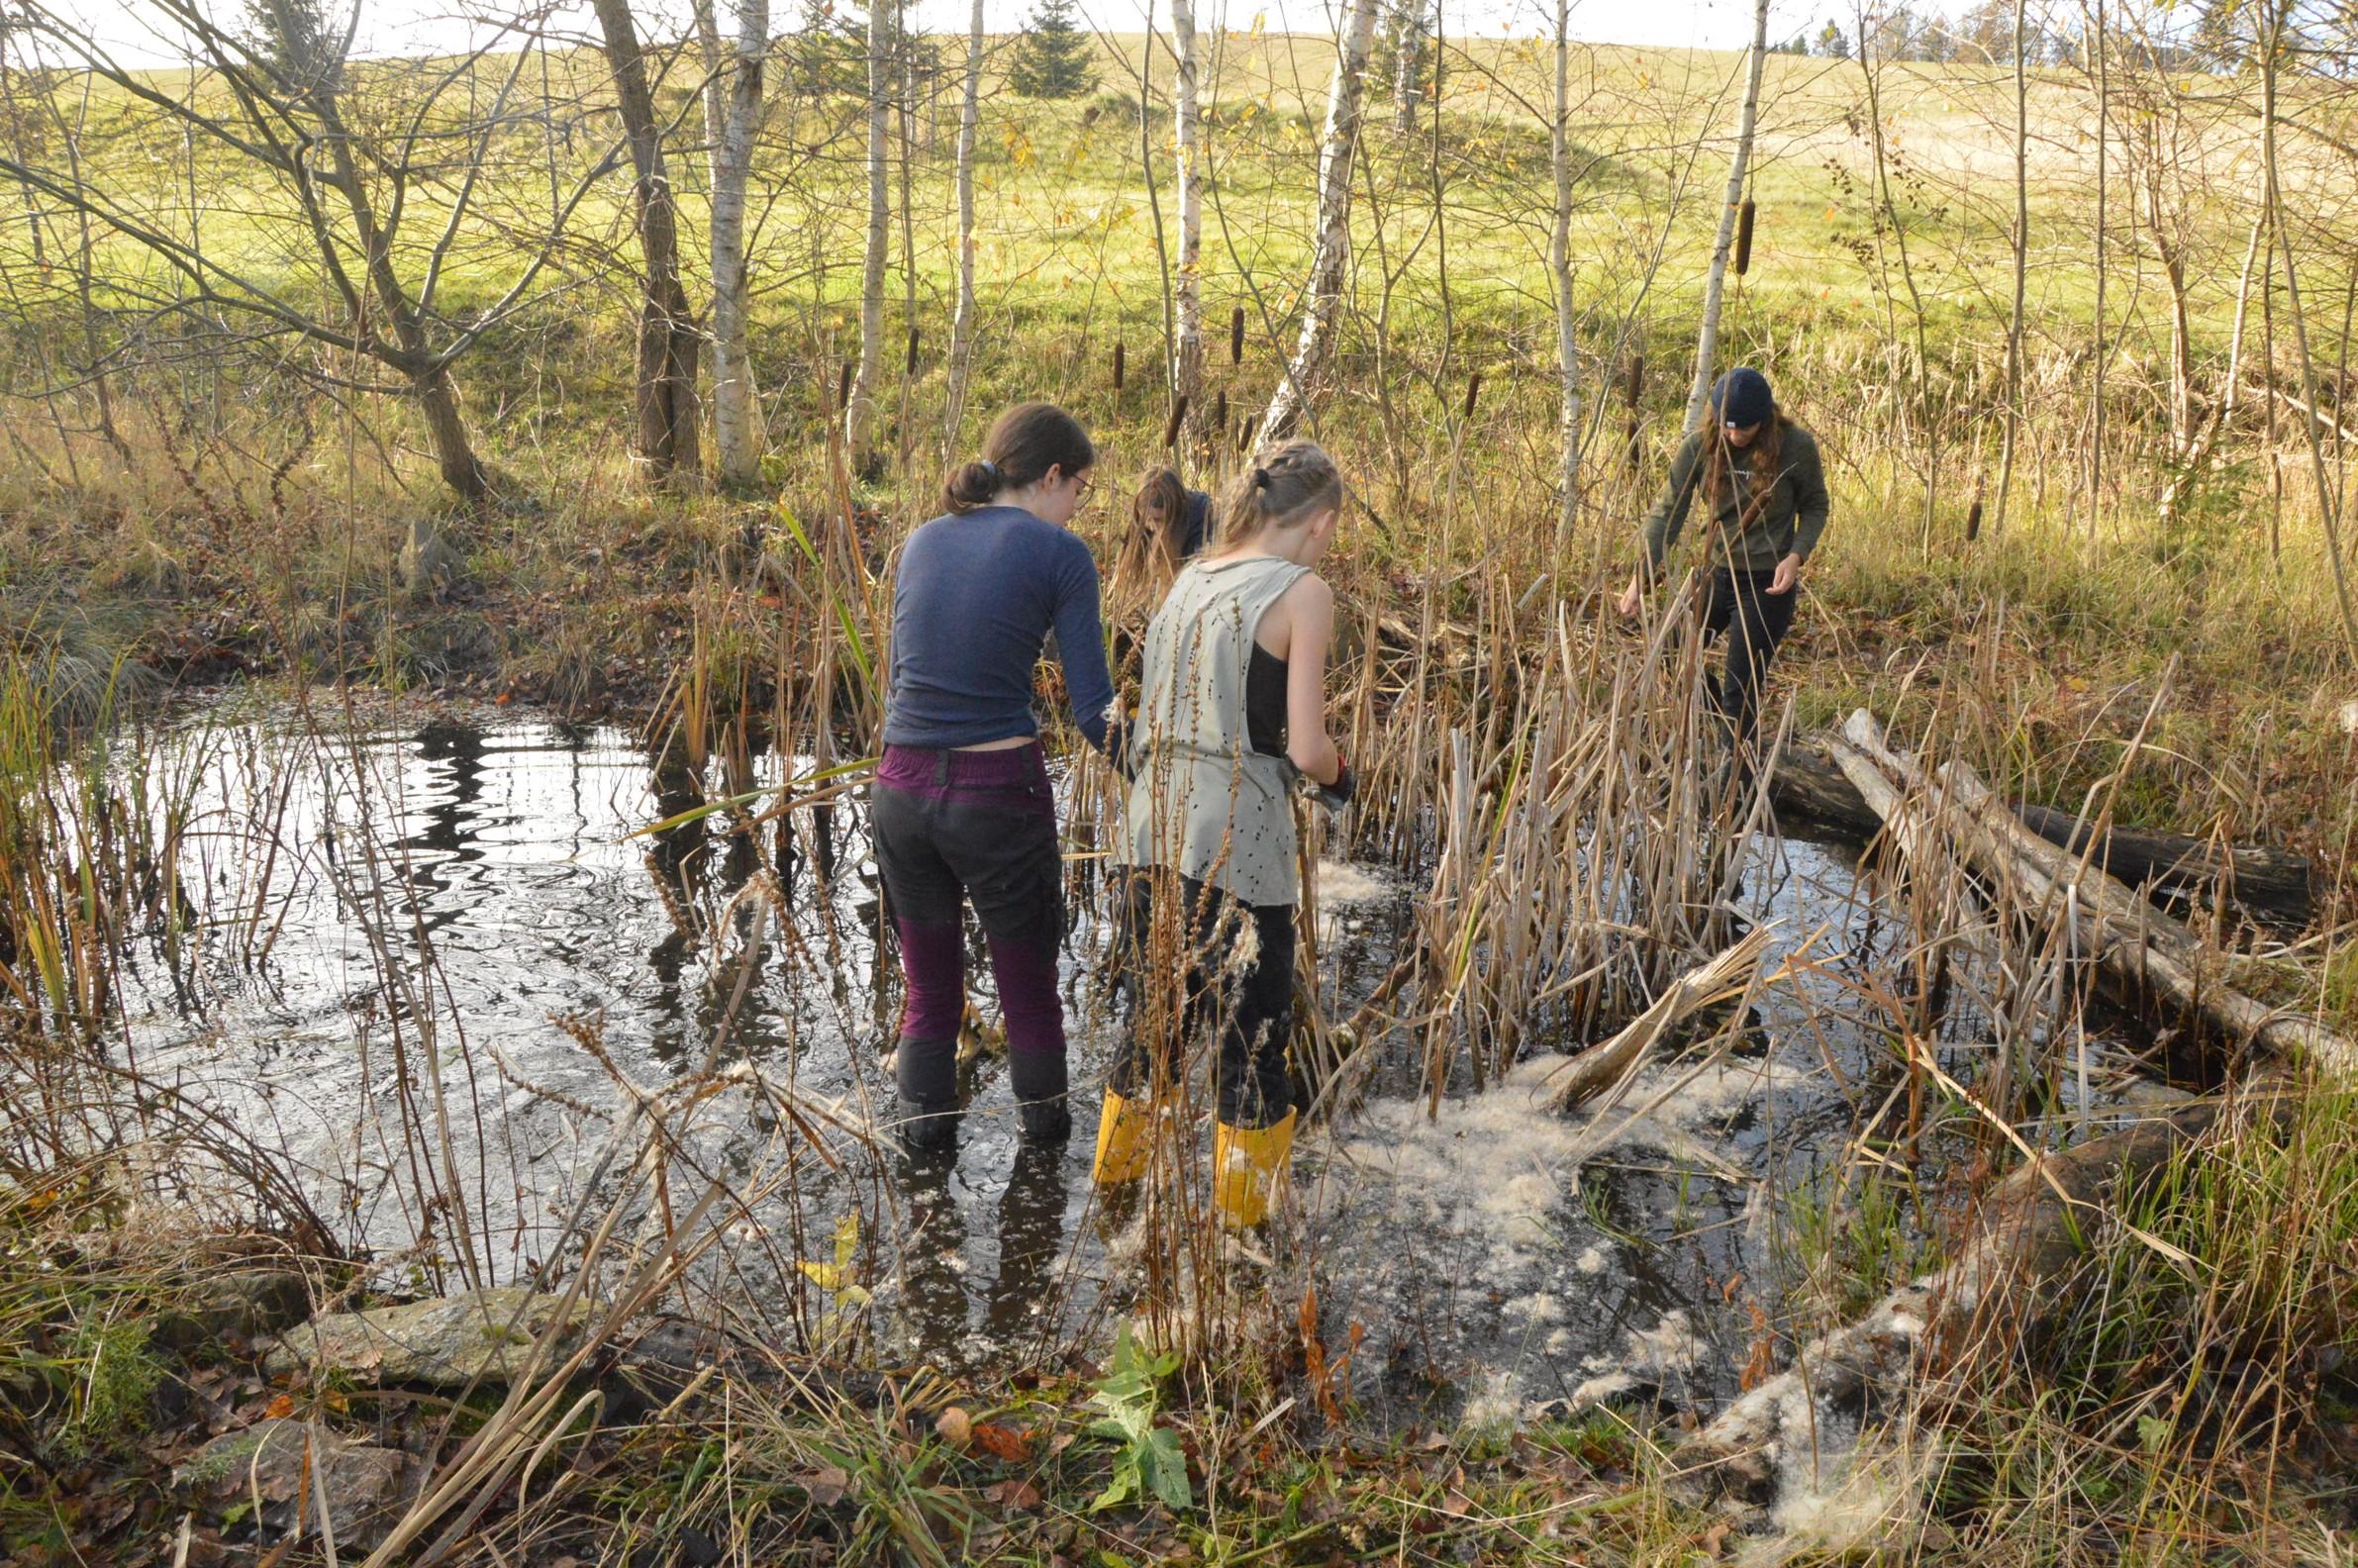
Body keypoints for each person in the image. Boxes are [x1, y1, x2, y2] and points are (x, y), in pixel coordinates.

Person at [1092, 440, 1353, 1228]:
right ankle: (1245, 1243)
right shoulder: (1303, 592)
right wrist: (1345, 776)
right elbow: (1305, 749)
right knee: (1252, 1050)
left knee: (1152, 1033)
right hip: (1240, 847)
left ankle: (1115, 1210)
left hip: (1150, 835)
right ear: (1319, 524)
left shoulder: (1188, 579)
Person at [872, 402, 1118, 1154]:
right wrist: (1166, 772)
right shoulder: (1060, 553)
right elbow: (1095, 714)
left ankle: (921, 1191)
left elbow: (904, 683)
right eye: (1080, 486)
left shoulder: (921, 541)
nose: (1079, 504)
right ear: (1049, 477)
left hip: (900, 791)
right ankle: (1043, 1191)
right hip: (995, 796)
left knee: (930, 1000)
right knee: (1032, 999)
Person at [1616, 366, 1829, 780]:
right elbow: (1668, 513)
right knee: (1670, 651)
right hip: (1716, 573)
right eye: (1728, 428)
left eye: (1745, 429)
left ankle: (1737, 783)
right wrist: (1640, 579)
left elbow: (1817, 506)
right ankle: (1722, 729)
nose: (1735, 437)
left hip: (1768, 583)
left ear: (1765, 418)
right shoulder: (1699, 447)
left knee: (1741, 688)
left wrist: (1796, 556)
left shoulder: (1796, 448)